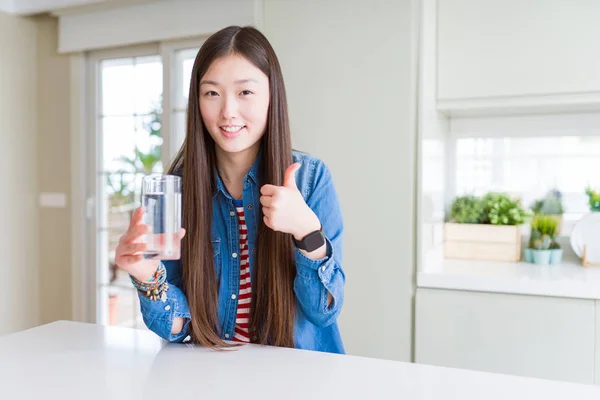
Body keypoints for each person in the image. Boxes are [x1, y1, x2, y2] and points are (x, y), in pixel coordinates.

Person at [115, 25, 346, 354]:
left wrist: (307, 232)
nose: (227, 112)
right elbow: (180, 329)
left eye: (245, 93)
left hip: (300, 379)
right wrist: (147, 275)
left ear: (271, 96)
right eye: (212, 93)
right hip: (215, 377)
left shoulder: (311, 179)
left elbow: (324, 312)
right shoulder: (176, 190)